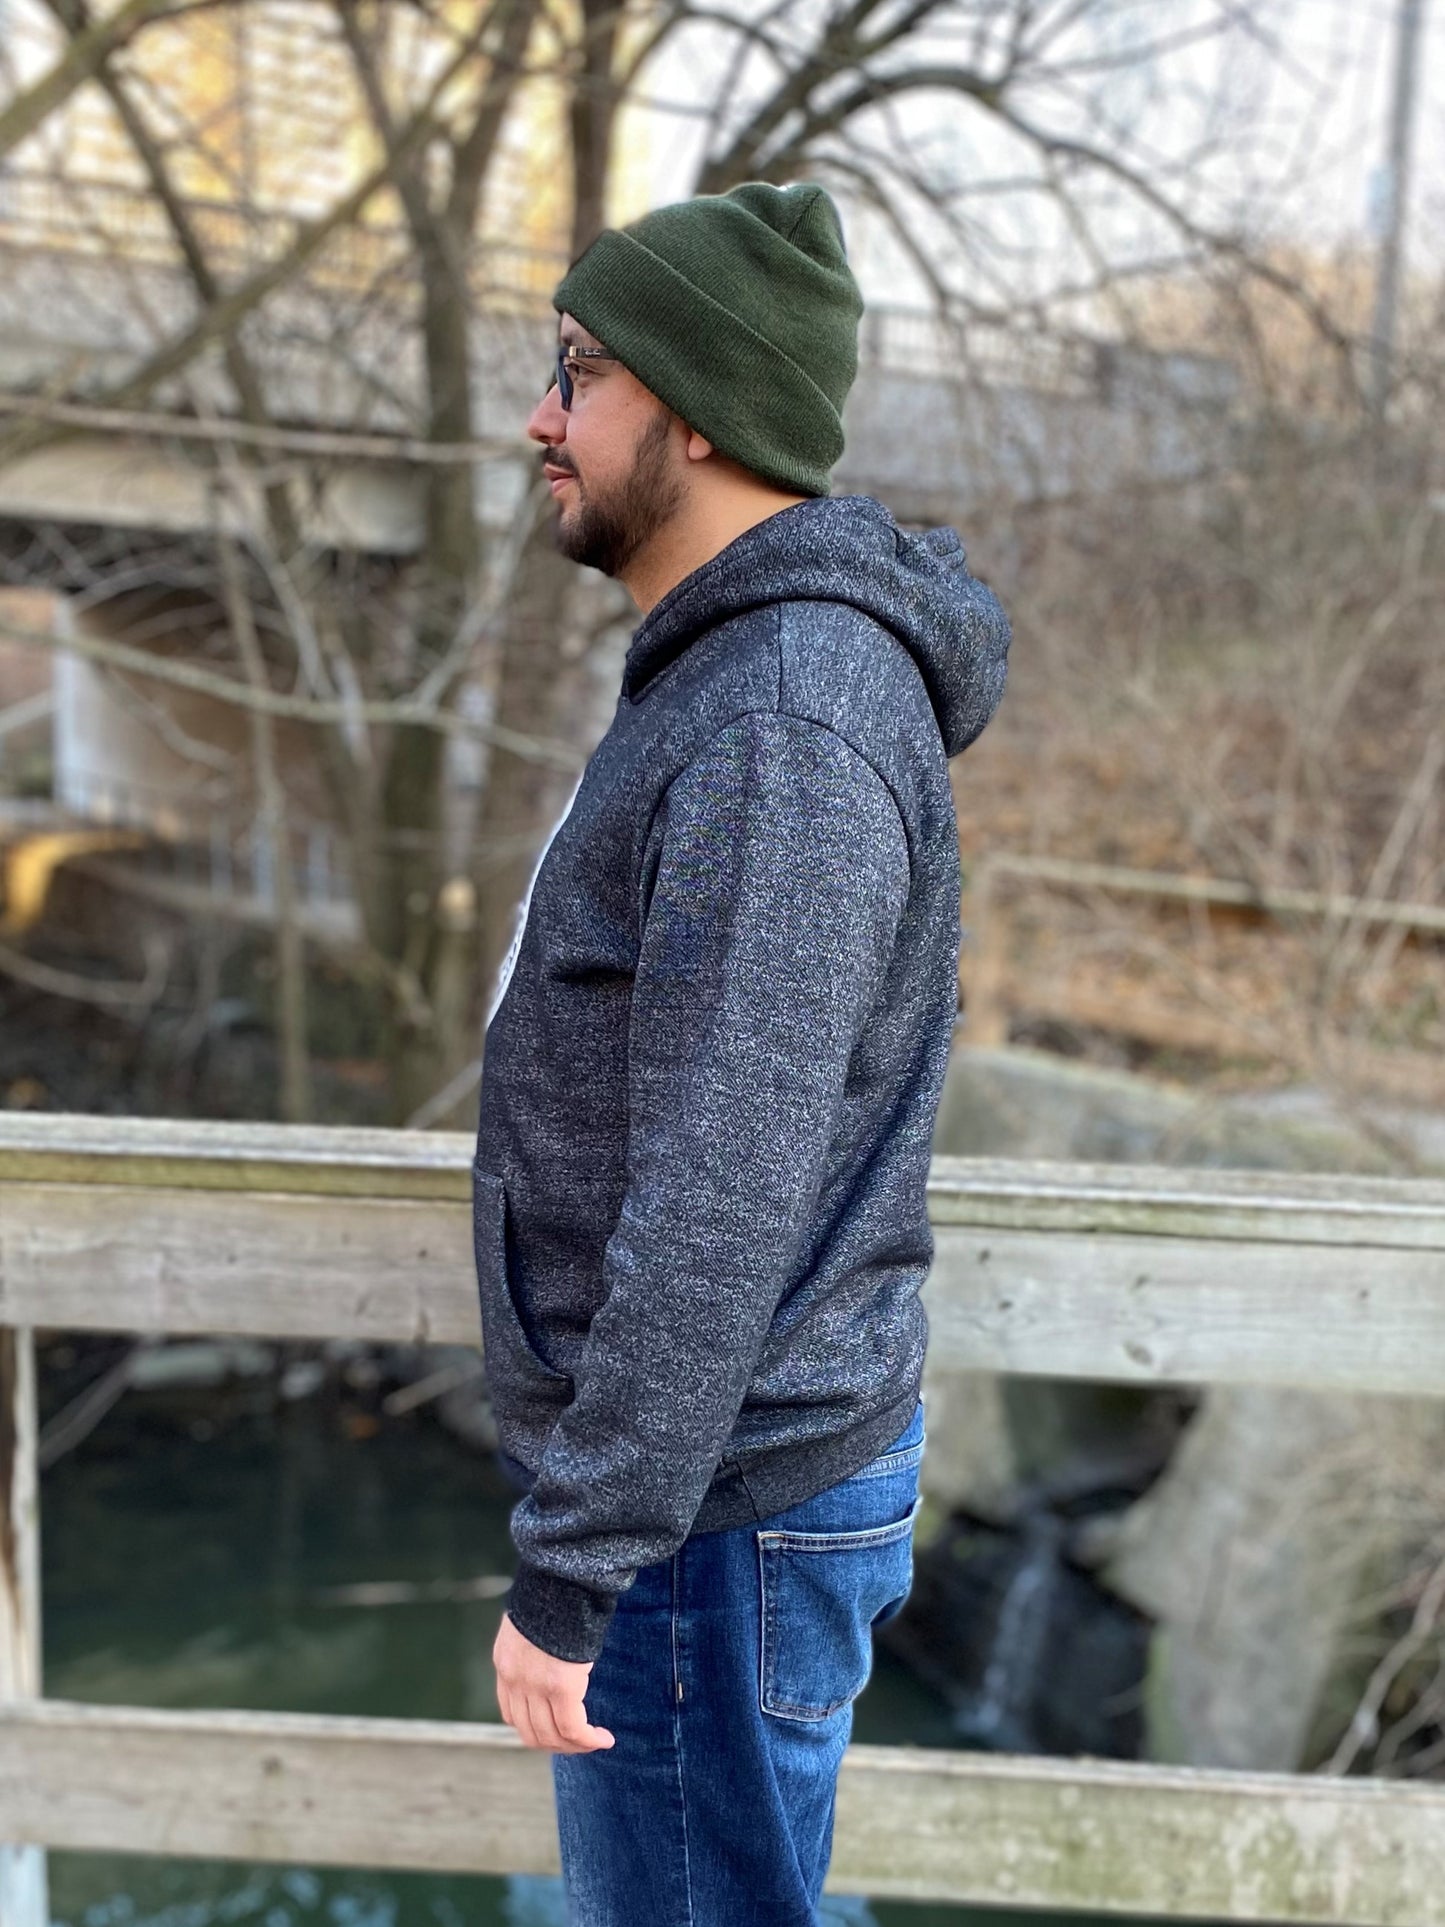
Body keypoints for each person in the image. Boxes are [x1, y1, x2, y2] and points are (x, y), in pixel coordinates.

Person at [475, 179, 1010, 1924]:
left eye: (581, 372)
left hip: (711, 1517)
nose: (543, 418)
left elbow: (722, 1195)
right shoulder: (741, 682)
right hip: (705, 1500)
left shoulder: (782, 717)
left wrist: (572, 1570)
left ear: (693, 408)